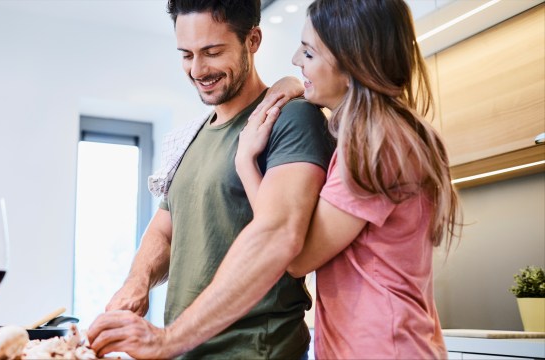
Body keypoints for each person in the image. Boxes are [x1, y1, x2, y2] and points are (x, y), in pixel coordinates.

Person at [86, 0, 335, 358]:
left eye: (212, 52)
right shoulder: (192, 137)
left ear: (253, 40)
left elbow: (278, 237)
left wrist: (165, 340)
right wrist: (136, 283)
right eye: (186, 55)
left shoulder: (290, 118)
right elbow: (164, 231)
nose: (198, 69)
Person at [237, 0, 463, 358]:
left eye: (309, 53)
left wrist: (245, 162)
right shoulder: (390, 135)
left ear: (352, 65)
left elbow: (295, 257)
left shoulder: (375, 146)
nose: (296, 59)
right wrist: (303, 84)